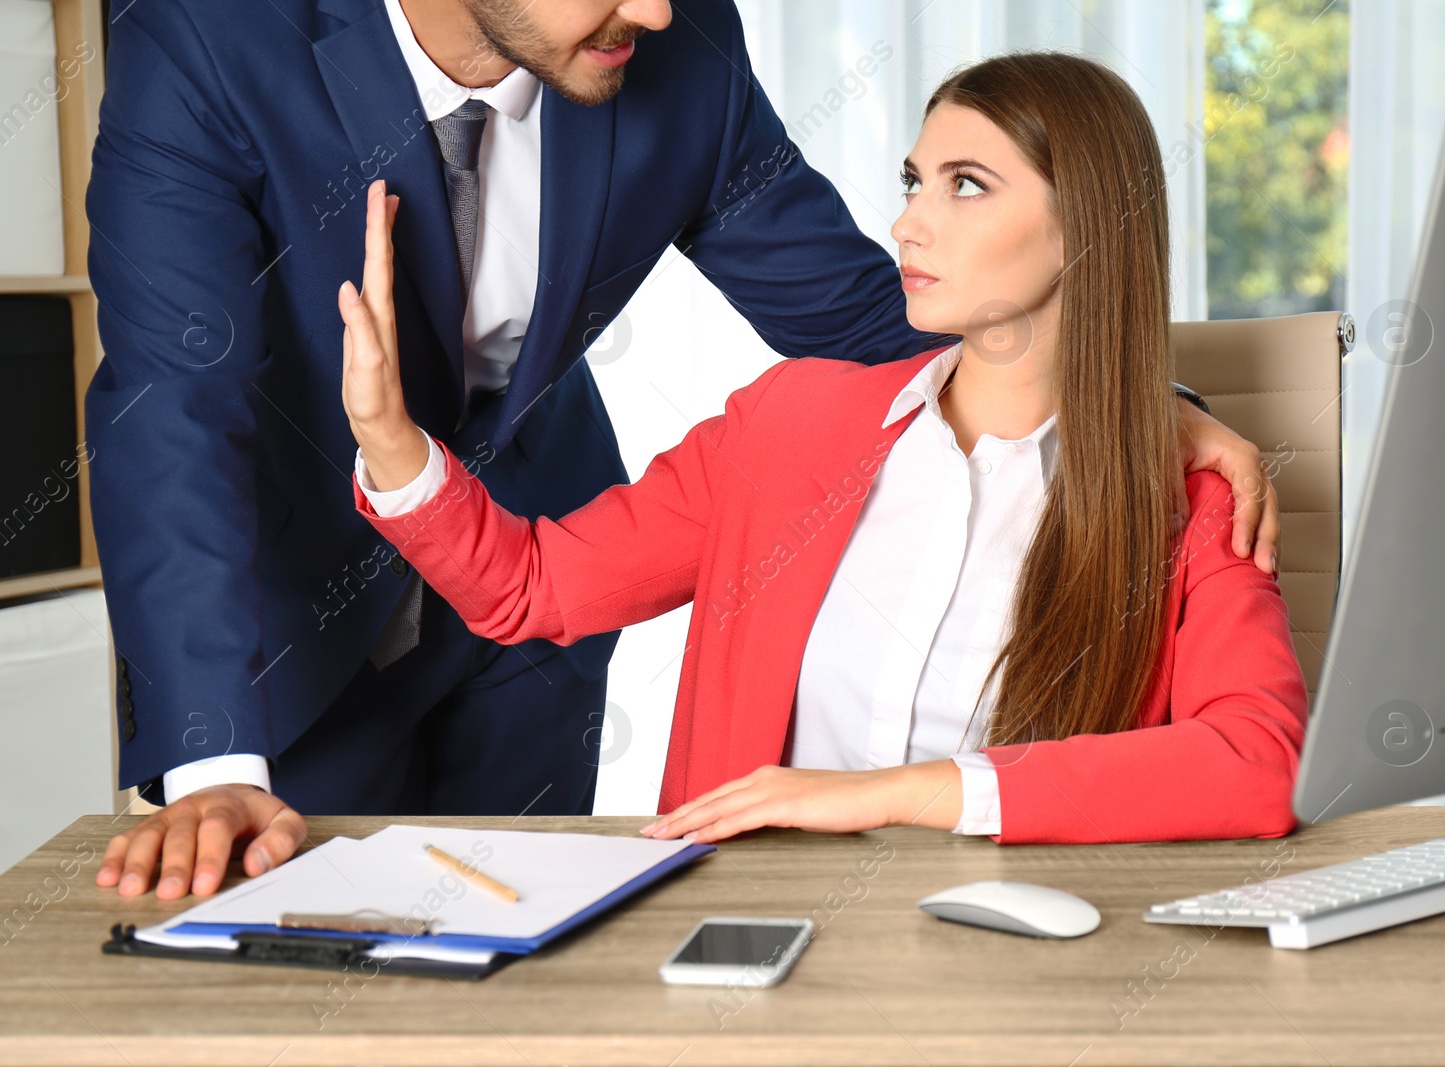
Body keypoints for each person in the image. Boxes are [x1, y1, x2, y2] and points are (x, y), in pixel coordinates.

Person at [93, 0, 1276, 899]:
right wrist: (209, 766)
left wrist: (1140, 403)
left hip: (530, 621)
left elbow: (879, 315)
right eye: (924, 181)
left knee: (523, 973)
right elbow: (174, 407)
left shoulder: (672, 42)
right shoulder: (206, 37)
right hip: (281, 617)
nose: (658, 13)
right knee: (293, 972)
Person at [342, 51, 1308, 846]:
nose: (908, 223)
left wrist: (894, 792)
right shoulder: (789, 427)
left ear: (1084, 229)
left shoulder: (1194, 497)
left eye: (966, 186)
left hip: (1021, 968)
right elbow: (531, 587)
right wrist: (391, 441)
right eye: (915, 182)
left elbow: (1258, 763)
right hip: (749, 949)